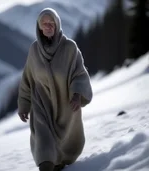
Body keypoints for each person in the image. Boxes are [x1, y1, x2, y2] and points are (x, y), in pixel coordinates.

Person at [17, 7, 93, 171]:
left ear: (57, 25)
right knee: (44, 148)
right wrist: (24, 105)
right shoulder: (34, 51)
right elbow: (27, 79)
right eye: (44, 24)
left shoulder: (70, 48)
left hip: (65, 107)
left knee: (61, 153)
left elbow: (79, 74)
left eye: (51, 23)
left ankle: (57, 163)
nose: (48, 26)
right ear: (39, 27)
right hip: (41, 107)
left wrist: (77, 95)